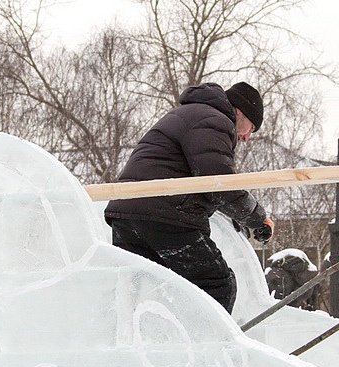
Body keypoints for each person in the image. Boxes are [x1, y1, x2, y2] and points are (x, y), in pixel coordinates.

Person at [104, 81, 275, 313]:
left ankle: (147, 343)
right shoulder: (215, 120)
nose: (246, 137)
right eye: (251, 128)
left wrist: (236, 215)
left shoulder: (191, 114)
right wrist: (257, 218)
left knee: (147, 292)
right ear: (237, 111)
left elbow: (204, 181)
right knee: (218, 284)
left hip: (127, 213)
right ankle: (203, 347)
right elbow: (218, 182)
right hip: (164, 214)